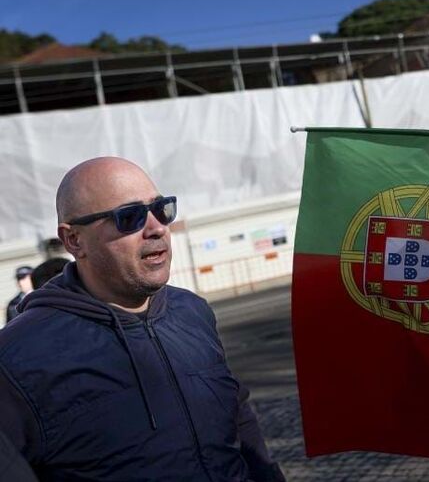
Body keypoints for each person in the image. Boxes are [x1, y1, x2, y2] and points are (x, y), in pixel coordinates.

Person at [0, 157, 285, 481]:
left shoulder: (192, 311)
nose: (156, 228)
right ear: (74, 240)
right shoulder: (16, 359)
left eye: (161, 209)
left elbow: (237, 413)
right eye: (130, 217)